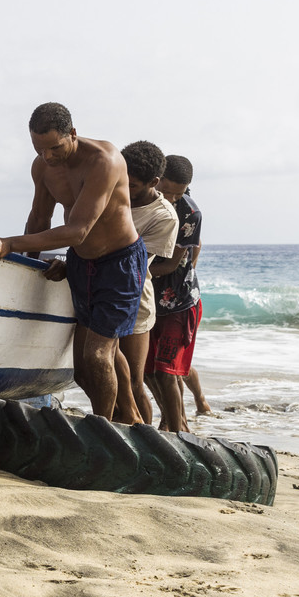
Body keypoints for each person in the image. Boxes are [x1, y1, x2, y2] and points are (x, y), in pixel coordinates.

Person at [0, 103, 143, 422]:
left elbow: (79, 231)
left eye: (54, 147)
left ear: (73, 134)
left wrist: (9, 242)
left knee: (98, 356)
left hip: (119, 264)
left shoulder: (103, 160)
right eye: (40, 149)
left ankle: (102, 429)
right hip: (81, 263)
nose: (48, 156)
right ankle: (127, 421)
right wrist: (24, 266)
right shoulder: (42, 166)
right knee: (82, 369)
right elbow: (40, 217)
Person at [111, 141, 178, 426]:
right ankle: (115, 428)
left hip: (134, 299)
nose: (127, 188)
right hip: (101, 291)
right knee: (106, 373)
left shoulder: (163, 216)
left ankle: (147, 436)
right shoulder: (112, 191)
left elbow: (133, 260)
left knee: (134, 384)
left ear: (154, 182)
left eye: (134, 185)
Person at [146, 155, 205, 432]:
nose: (170, 198)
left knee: (166, 371)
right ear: (155, 180)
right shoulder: (144, 199)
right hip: (148, 298)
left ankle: (179, 431)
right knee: (147, 373)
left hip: (179, 303)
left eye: (177, 193)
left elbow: (171, 264)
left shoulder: (189, 213)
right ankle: (169, 421)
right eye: (165, 190)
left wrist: (127, 270)